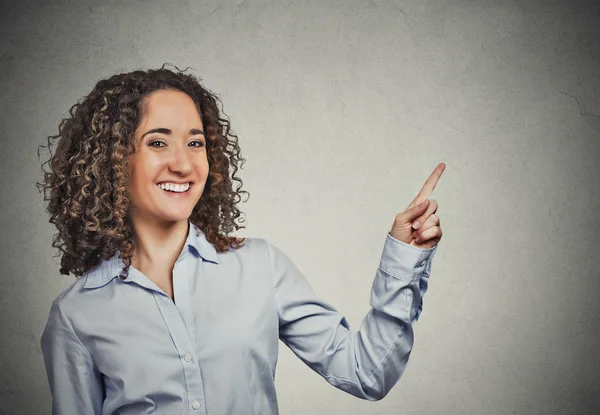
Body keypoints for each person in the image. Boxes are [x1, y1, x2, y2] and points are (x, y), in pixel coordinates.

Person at [38, 64, 445, 415]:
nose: (182, 164)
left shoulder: (259, 267)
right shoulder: (76, 316)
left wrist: (405, 256)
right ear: (111, 160)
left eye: (195, 143)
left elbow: (366, 373)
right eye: (158, 142)